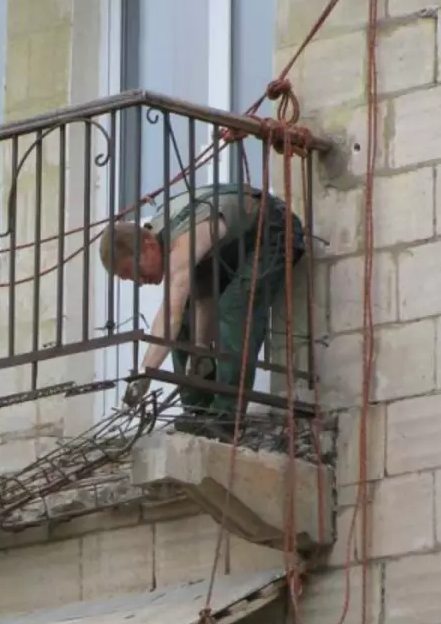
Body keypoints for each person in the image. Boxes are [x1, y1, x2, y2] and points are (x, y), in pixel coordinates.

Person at [98, 182, 307, 442]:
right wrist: (199, 350)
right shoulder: (166, 237)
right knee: (187, 321)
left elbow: (168, 317)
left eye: (134, 272)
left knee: (234, 310)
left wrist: (145, 376)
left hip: (273, 231)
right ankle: (198, 411)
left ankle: (227, 416)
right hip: (235, 246)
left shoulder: (181, 244)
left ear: (149, 246)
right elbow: (201, 300)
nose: (140, 282)